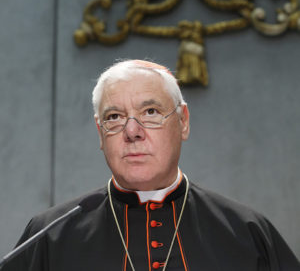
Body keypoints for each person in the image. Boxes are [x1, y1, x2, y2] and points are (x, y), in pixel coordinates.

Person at [3, 59, 300, 270]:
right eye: (114, 117)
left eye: (151, 111)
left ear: (183, 122)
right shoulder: (50, 235)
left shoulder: (246, 232)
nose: (132, 131)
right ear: (99, 132)